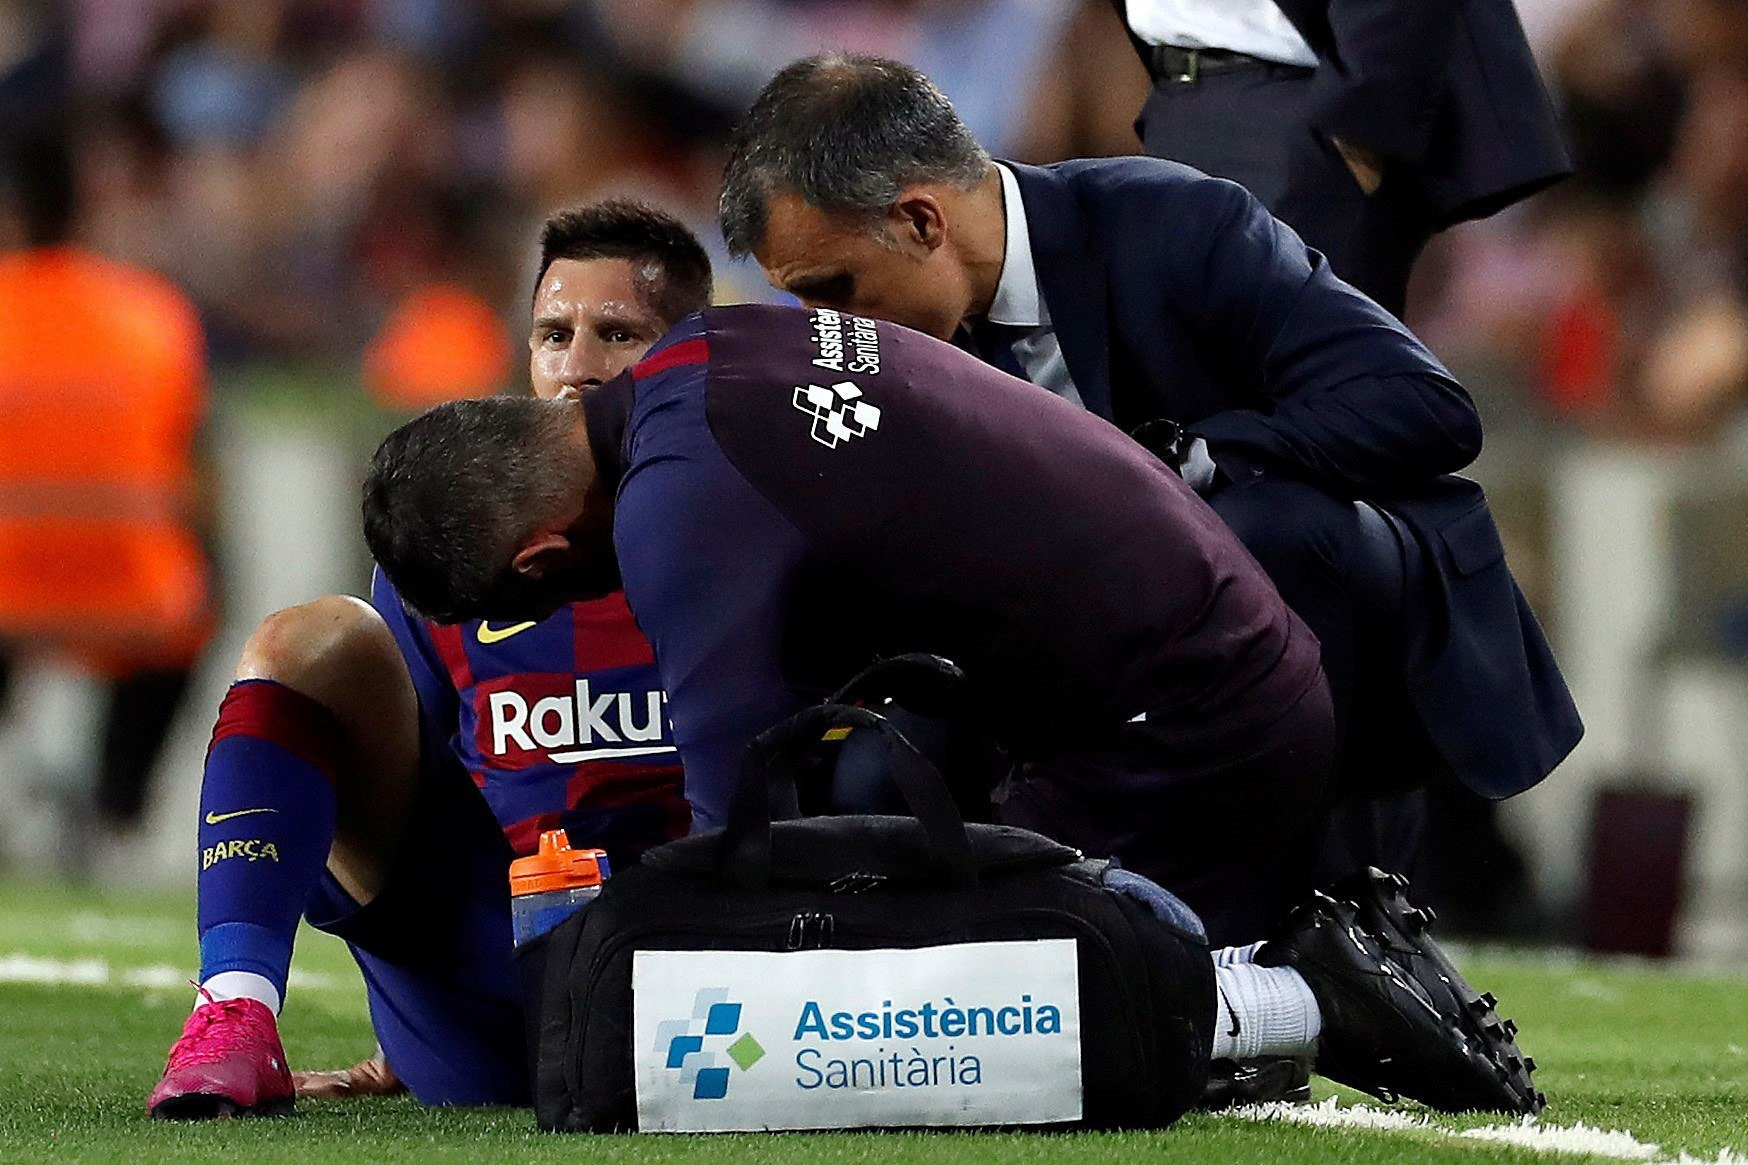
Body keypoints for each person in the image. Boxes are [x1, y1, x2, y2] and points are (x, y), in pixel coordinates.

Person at [362, 302, 1543, 1117]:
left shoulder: (677, 516)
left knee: (926, 1017)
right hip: (1198, 667)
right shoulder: (704, 355)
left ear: (539, 559)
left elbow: (726, 856)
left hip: (1180, 728)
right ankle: (1239, 958)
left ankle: (1286, 990)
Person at [717, 53, 1581, 893]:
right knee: (876, 741)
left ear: (920, 222)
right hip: (1099, 650)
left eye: (831, 288)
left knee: (1262, 531)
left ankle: (1314, 908)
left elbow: (1421, 403)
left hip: (1331, 607)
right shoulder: (877, 359)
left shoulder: (1172, 221)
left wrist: (1186, 463)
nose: (819, 327)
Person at [147, 201, 711, 1120]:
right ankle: (234, 1011)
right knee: (308, 642)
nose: (577, 365)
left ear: (687, 352)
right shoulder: (462, 543)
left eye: (619, 333)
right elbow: (401, 806)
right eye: (554, 332)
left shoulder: (744, 537)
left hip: (709, 982)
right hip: (495, 996)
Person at [0, 132, 213, 836]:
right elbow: (193, 474)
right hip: (134, 594)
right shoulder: (155, 312)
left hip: (9, 586)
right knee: (195, 601)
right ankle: (116, 804)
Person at [1120, 0, 1571, 318]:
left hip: (1294, 114)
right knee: (1190, 416)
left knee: (1306, 409)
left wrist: (1361, 126)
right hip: (1176, 99)